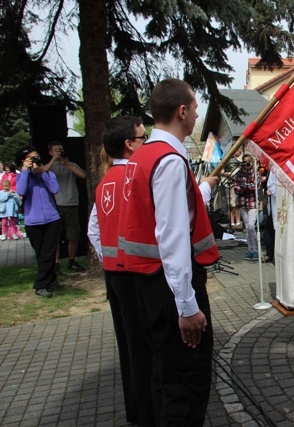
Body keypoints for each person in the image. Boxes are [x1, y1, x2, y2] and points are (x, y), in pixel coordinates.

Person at [118, 78, 220, 426]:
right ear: (181, 111)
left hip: (148, 288)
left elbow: (165, 214)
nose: (196, 114)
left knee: (164, 378)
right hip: (170, 290)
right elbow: (173, 237)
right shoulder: (170, 161)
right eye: (194, 108)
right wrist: (188, 306)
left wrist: (202, 190)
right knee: (186, 386)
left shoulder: (143, 156)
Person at [87, 116, 153, 425]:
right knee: (144, 347)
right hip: (135, 275)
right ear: (129, 145)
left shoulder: (103, 183)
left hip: (114, 276)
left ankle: (135, 411)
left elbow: (93, 231)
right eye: (144, 137)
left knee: (127, 344)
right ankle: (149, 412)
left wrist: (108, 259)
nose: (147, 141)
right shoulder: (135, 178)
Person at [15, 146, 61, 298]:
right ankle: (51, 278)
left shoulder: (47, 174)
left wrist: (42, 173)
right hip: (33, 221)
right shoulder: (22, 176)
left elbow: (55, 189)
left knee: (48, 253)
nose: (34, 161)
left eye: (36, 158)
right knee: (41, 254)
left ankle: (41, 286)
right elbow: (21, 191)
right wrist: (25, 171)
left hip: (52, 219)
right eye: (31, 159)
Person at [44, 141, 87, 272]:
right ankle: (55, 263)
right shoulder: (50, 167)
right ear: (50, 152)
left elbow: (83, 175)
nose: (59, 152)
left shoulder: (71, 165)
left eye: (61, 150)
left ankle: (72, 261)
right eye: (56, 150)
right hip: (56, 205)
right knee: (55, 237)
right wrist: (54, 160)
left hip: (71, 204)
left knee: (73, 235)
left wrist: (66, 163)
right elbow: (43, 171)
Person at [233, 153, 263, 260]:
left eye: (249, 162)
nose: (247, 164)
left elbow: (255, 186)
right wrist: (246, 187)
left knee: (251, 226)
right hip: (242, 204)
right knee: (247, 227)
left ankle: (255, 249)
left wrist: (244, 187)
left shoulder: (256, 173)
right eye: (245, 162)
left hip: (253, 203)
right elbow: (236, 188)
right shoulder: (239, 174)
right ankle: (250, 250)